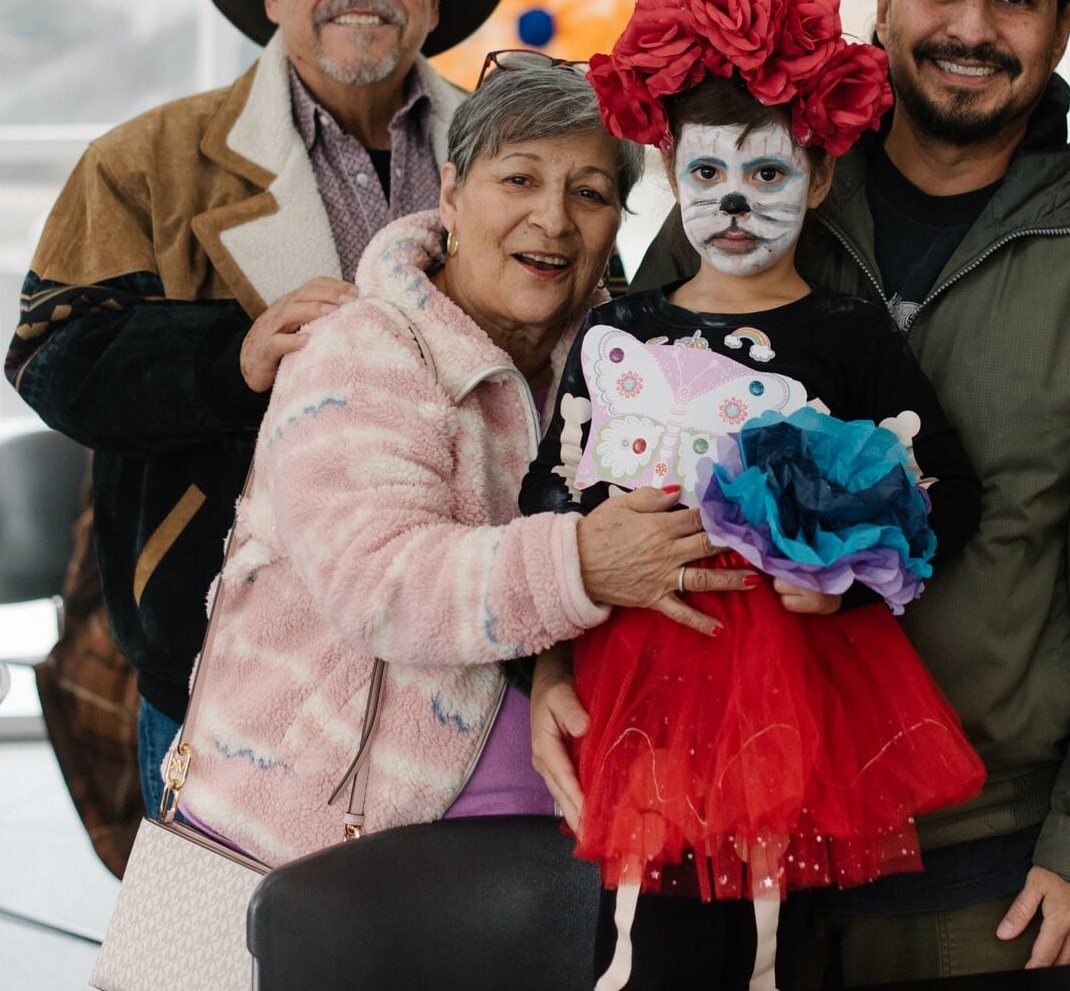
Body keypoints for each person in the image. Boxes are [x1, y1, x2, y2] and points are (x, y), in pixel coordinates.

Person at [534, 0, 1070, 983]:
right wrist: (548, 667)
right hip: (715, 805)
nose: (972, 25)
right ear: (882, 4)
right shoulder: (750, 183)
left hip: (973, 835)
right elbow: (595, 442)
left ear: (1058, 30)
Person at [5, 0, 519, 817]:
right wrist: (226, 358)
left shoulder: (518, 154)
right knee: (225, 955)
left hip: (472, 642)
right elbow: (51, 357)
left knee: (448, 943)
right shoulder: (147, 160)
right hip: (228, 650)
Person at [521, 0, 985, 991]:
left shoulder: (847, 335)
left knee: (781, 950)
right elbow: (548, 499)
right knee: (645, 950)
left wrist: (851, 575)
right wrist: (545, 665)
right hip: (640, 692)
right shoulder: (622, 327)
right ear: (668, 174)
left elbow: (945, 486)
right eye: (707, 177)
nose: (735, 204)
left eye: (767, 176)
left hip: (794, 700)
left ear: (818, 177)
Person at [163, 59, 752, 861]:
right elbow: (380, 583)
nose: (552, 218)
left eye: (590, 192)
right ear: (449, 195)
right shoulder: (362, 348)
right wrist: (583, 560)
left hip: (568, 833)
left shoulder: (630, 372)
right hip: (323, 846)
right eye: (518, 178)